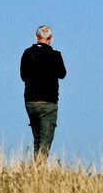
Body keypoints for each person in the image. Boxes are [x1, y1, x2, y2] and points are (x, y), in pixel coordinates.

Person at [19, 25, 67, 162]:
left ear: (36, 37)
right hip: (48, 102)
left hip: (30, 101)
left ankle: (36, 169)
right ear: (51, 38)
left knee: (37, 138)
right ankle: (39, 169)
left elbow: (23, 76)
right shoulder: (55, 55)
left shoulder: (27, 53)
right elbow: (62, 74)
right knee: (45, 139)